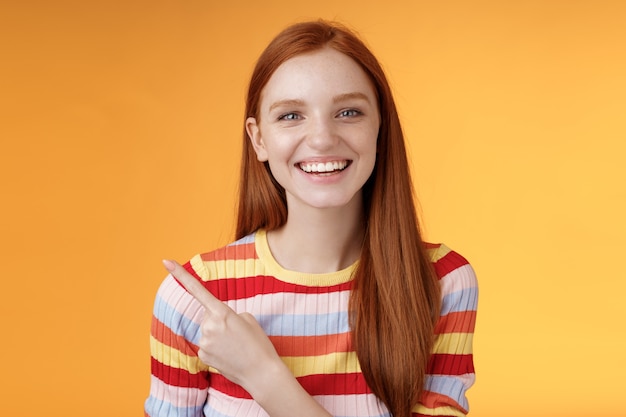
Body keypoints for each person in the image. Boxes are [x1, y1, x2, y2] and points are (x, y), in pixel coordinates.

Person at [145, 20, 478, 417]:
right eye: (290, 116)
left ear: (379, 127)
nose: (321, 138)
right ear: (259, 139)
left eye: (349, 112)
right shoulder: (193, 298)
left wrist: (264, 376)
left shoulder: (442, 282)